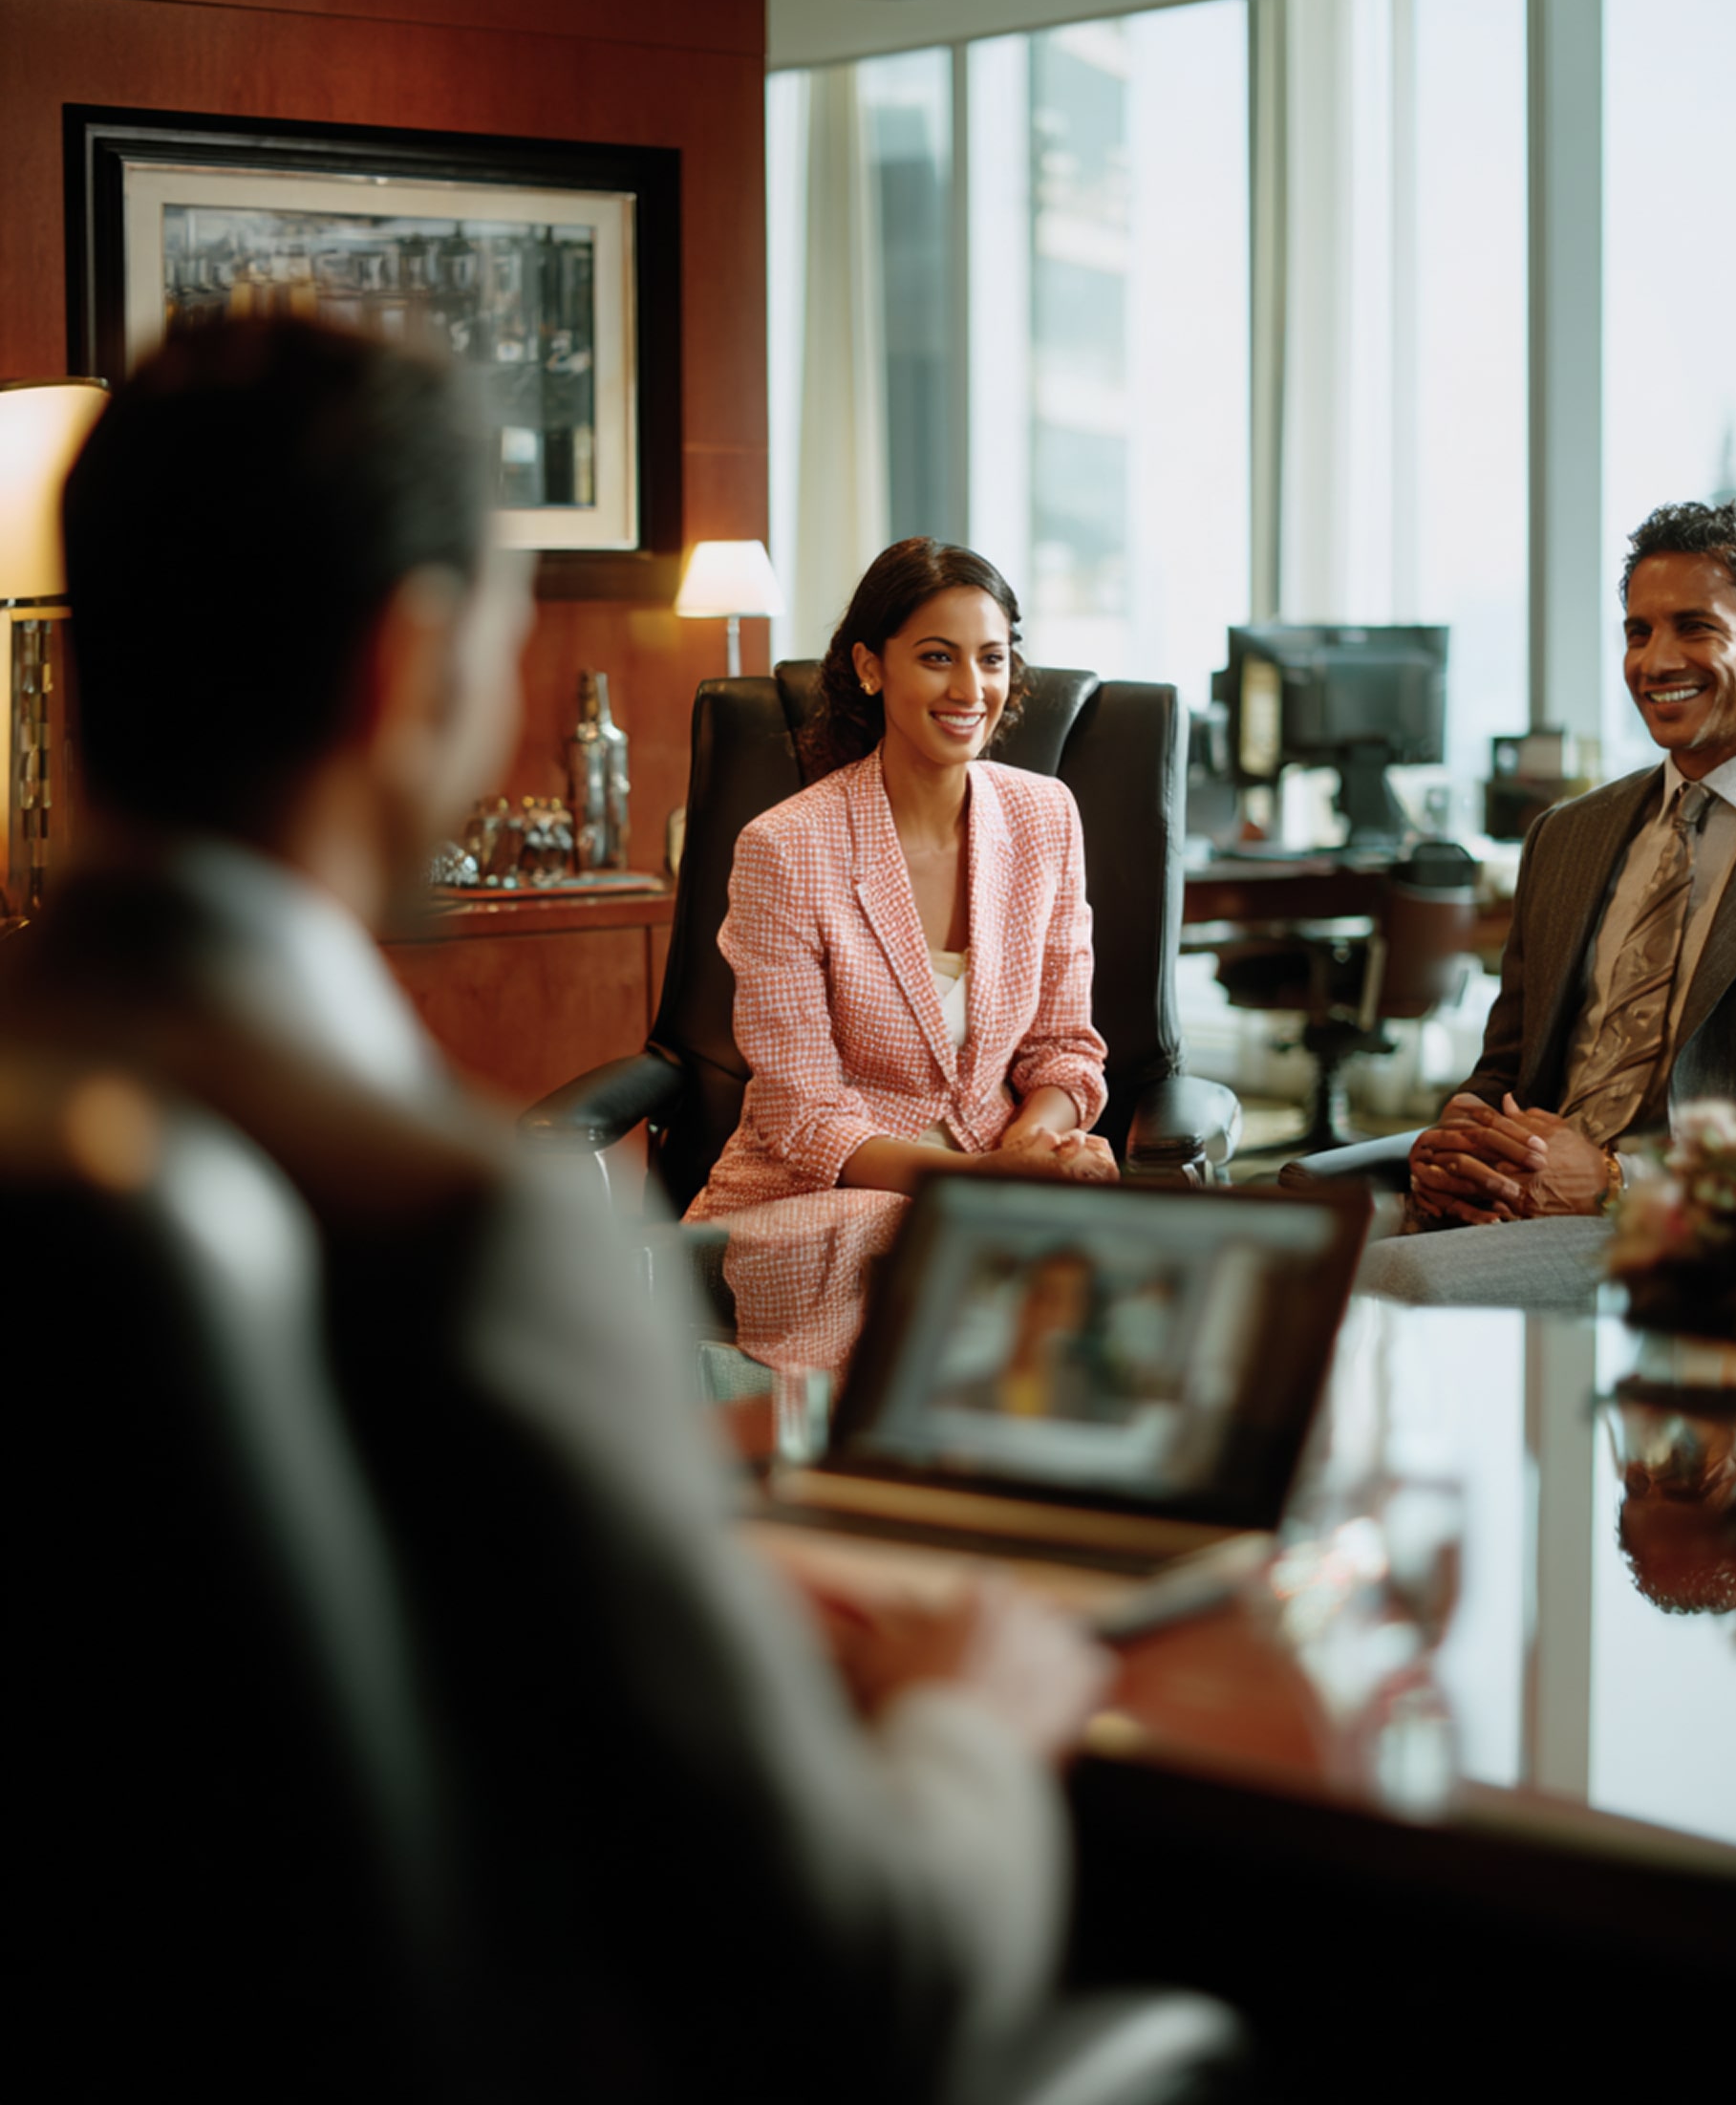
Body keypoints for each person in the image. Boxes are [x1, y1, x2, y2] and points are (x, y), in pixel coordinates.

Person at [6, 319, 1122, 2102]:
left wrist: (689, 1562)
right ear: (409, 663)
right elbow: (854, 1968)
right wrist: (974, 1719)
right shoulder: (472, 1233)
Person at [1360, 500, 1736, 1308]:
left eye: (1694, 628)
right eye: (1638, 632)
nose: (1655, 660)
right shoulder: (1568, 836)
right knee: (1260, 1253)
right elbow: (1506, 1064)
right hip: (1519, 1203)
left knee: (1382, 1286)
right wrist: (1461, 1133)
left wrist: (1616, 1179)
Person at [685, 539, 1115, 1368]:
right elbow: (805, 1120)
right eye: (935, 658)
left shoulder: (1045, 819)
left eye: (991, 660)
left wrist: (1033, 1144)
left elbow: (1065, 1049)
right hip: (821, 1202)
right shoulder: (786, 847)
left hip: (1000, 1178)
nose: (969, 690)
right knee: (967, 1287)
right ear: (871, 667)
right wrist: (991, 1185)